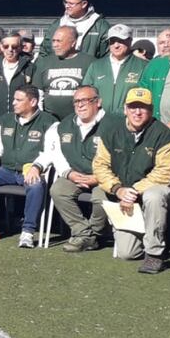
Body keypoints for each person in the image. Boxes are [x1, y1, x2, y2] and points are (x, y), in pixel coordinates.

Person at [92, 87, 170, 273]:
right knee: (126, 253)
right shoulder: (111, 132)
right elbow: (100, 166)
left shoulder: (163, 134)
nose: (137, 112)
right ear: (125, 109)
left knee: (153, 196)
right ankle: (161, 239)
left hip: (151, 190)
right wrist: (118, 189)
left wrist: (135, 190)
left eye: (143, 107)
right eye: (133, 107)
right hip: (122, 193)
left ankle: (155, 254)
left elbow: (164, 172)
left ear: (151, 109)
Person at [0, 86, 56, 247]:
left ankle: (28, 232)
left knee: (36, 185)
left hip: (32, 171)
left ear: (33, 101)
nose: (14, 103)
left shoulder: (50, 122)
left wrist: (37, 166)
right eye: (14, 99)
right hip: (6, 169)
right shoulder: (4, 120)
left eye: (19, 100)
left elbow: (51, 151)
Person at [37, 85, 109, 252]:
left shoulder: (114, 123)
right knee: (58, 190)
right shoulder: (65, 124)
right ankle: (84, 233)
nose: (80, 105)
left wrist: (99, 177)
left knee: (101, 199)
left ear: (98, 102)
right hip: (76, 173)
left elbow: (121, 157)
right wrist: (68, 173)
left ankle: (94, 234)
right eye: (76, 101)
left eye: (85, 100)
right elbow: (57, 153)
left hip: (104, 177)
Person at [83, 24, 147, 116]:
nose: (116, 45)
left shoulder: (143, 66)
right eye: (112, 41)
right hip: (100, 121)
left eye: (121, 41)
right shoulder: (96, 66)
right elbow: (86, 93)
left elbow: (146, 95)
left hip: (129, 121)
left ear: (130, 41)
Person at [32, 26, 92, 121]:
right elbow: (38, 93)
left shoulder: (89, 62)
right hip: (50, 120)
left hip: (79, 120)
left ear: (73, 43)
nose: (55, 45)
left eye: (59, 41)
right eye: (53, 41)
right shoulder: (44, 62)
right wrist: (41, 117)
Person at [38, 0, 111, 60]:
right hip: (58, 70)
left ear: (84, 4)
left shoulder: (100, 26)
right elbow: (44, 52)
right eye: (65, 2)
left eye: (71, 3)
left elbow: (107, 57)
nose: (67, 6)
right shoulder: (57, 25)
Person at [0, 31, 34, 121]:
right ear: (1, 47)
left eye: (14, 46)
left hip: (22, 123)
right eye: (6, 46)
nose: (10, 49)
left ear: (21, 47)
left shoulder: (30, 68)